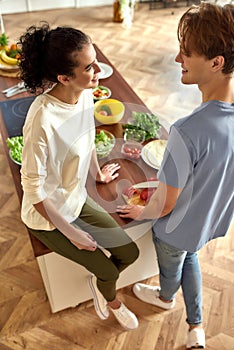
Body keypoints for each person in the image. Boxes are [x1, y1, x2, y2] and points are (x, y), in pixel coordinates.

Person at [116, 2, 234, 347]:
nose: (176, 59)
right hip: (206, 223)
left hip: (174, 229)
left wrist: (143, 210)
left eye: (186, 52)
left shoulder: (186, 130)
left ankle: (166, 298)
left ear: (216, 62)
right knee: (192, 256)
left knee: (172, 266)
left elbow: (164, 207)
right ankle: (196, 325)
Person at [19, 23, 139, 330]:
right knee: (110, 272)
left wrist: (97, 173)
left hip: (76, 198)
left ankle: (101, 280)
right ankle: (110, 299)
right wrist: (72, 234)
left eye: (96, 58)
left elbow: (85, 135)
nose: (99, 69)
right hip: (47, 216)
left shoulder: (84, 93)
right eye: (89, 66)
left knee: (129, 252)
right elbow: (33, 190)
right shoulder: (41, 120)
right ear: (64, 78)